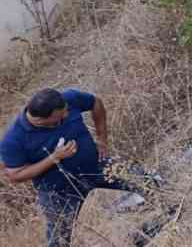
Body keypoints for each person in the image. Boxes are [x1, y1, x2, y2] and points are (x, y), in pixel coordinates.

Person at [1, 88, 142, 247]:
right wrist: (54, 158)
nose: (67, 115)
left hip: (96, 166)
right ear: (41, 120)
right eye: (60, 117)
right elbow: (15, 175)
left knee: (148, 181)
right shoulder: (13, 139)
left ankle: (159, 219)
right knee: (59, 239)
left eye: (66, 111)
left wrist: (102, 139)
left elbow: (95, 102)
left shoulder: (68, 99)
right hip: (59, 191)